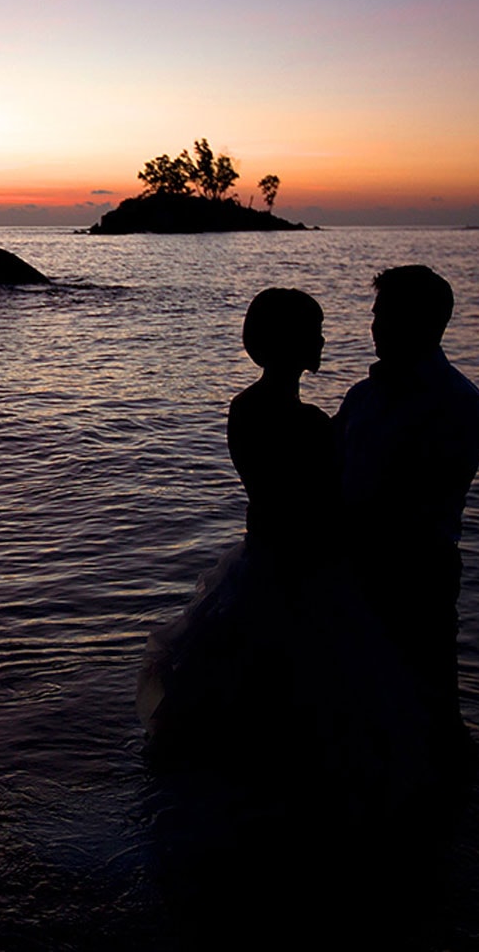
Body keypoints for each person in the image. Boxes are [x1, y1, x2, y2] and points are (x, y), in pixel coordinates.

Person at [136, 288, 334, 767]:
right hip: (297, 571)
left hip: (257, 559)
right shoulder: (310, 423)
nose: (324, 341)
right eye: (315, 332)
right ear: (293, 343)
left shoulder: (244, 407)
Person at [335, 265, 479, 781]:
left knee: (430, 705)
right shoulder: (364, 396)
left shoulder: (458, 405)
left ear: (423, 323)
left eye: (384, 316)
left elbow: (415, 498)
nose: (374, 328)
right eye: (375, 316)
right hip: (356, 568)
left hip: (416, 571)